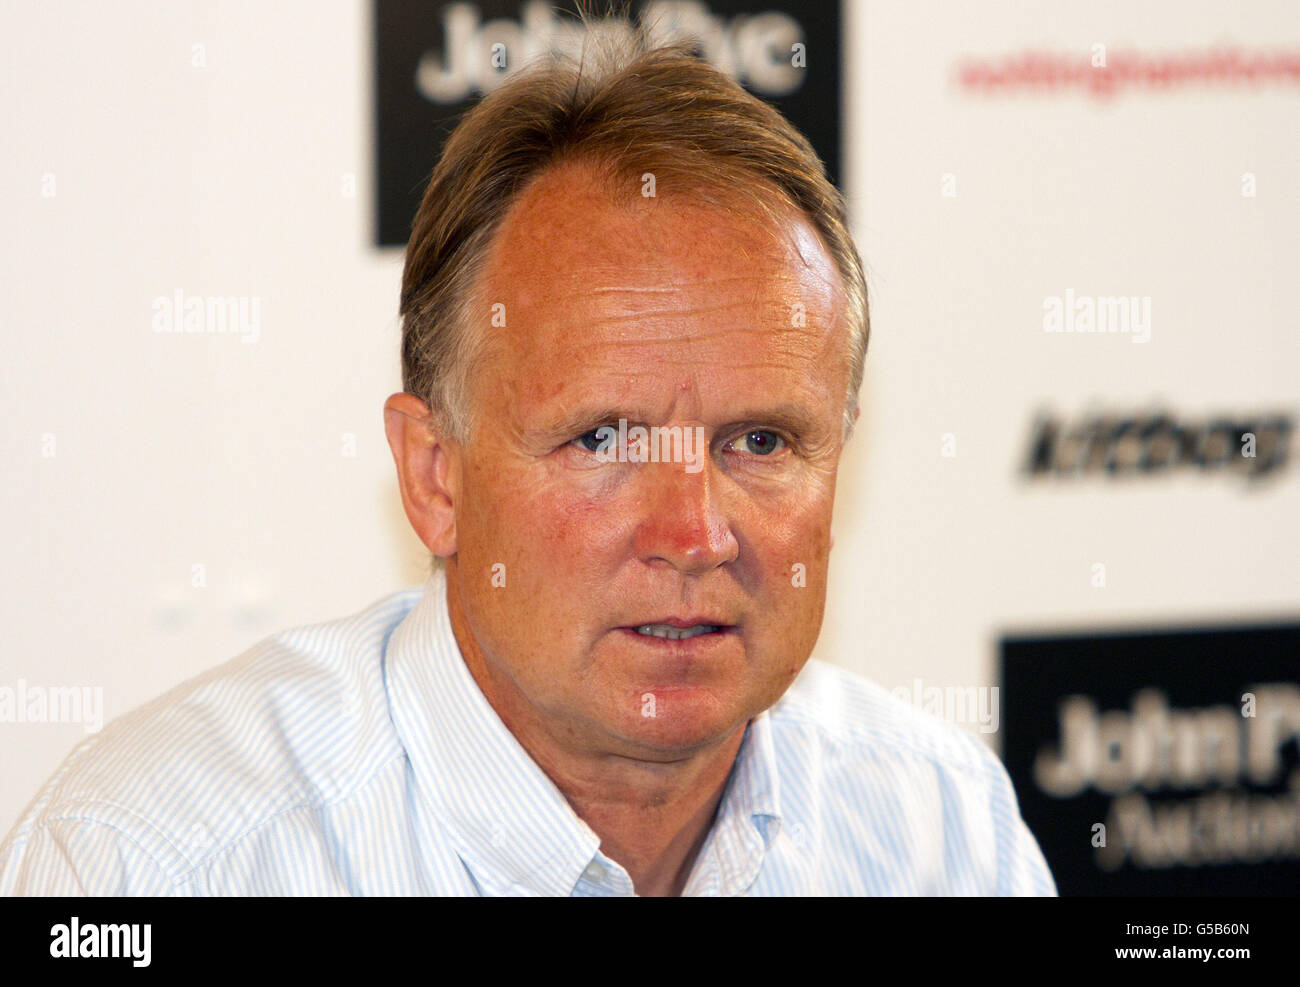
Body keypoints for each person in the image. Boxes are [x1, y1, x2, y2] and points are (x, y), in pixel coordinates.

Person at [0, 31, 1055, 897]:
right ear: (433, 476)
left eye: (761, 442)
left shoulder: (945, 831)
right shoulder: (144, 867)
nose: (694, 534)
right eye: (600, 439)